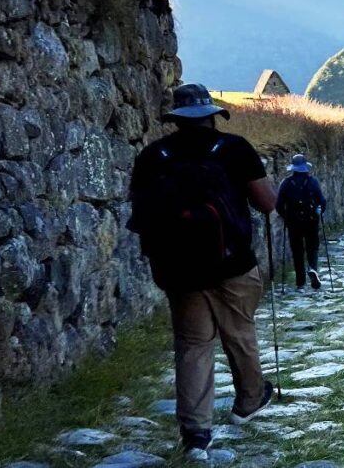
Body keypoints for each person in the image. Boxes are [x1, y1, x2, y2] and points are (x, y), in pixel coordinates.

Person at [129, 83, 277, 461]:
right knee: (240, 331)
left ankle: (196, 432)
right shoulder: (234, 149)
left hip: (179, 270)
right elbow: (265, 204)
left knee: (193, 345)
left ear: (176, 118)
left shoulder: (153, 156)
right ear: (212, 115)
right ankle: (249, 401)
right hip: (234, 265)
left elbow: (143, 214)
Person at [275, 153, 328, 290]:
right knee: (313, 247)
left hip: (293, 222)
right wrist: (319, 212)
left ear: (293, 168)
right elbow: (322, 201)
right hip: (311, 220)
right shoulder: (313, 182)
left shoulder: (286, 183)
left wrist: (286, 217)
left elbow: (278, 204)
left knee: (297, 250)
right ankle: (313, 269)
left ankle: (300, 282)